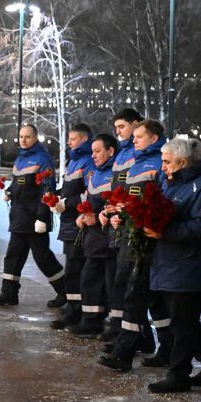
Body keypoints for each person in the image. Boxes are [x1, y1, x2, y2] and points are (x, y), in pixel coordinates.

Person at [146, 137, 201, 392]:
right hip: (171, 262)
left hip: (190, 264)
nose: (163, 167)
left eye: (167, 162)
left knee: (182, 322)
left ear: (183, 162)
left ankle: (179, 374)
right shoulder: (174, 183)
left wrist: (164, 232)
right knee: (183, 320)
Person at [99, 118, 166, 371]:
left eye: (139, 136)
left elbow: (161, 202)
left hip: (145, 240)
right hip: (129, 235)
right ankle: (164, 348)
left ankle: (124, 352)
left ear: (154, 139)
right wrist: (115, 212)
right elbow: (128, 199)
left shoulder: (159, 163)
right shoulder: (137, 163)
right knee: (151, 300)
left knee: (134, 294)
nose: (133, 140)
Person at [0, 123, 65, 306]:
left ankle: (65, 292)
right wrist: (9, 191)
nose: (23, 140)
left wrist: (41, 217)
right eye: (21, 137)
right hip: (19, 216)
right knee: (13, 255)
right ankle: (9, 293)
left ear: (35, 138)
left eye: (27, 137)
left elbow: (48, 189)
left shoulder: (42, 159)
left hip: (34, 217)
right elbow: (19, 184)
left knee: (42, 257)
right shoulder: (20, 159)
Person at [69, 132, 118, 337]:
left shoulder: (116, 173)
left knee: (109, 285)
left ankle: (110, 324)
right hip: (93, 239)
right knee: (89, 280)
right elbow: (91, 201)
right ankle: (91, 320)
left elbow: (115, 206)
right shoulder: (95, 173)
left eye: (98, 151)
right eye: (92, 152)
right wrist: (83, 215)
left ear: (110, 151)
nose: (94, 156)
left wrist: (97, 218)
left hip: (107, 241)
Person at [101, 108, 143, 342]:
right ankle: (121, 330)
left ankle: (125, 334)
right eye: (116, 128)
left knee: (127, 283)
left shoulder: (138, 154)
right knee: (120, 281)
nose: (117, 132)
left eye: (122, 127)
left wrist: (124, 212)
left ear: (136, 124)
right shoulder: (122, 154)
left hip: (133, 226)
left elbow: (138, 193)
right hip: (120, 223)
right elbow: (118, 190)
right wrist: (110, 210)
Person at [49, 124, 94, 329]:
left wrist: (65, 203)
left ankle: (75, 312)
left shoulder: (86, 161)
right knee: (73, 267)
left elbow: (89, 193)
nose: (69, 142)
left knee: (76, 268)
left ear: (84, 139)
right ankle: (73, 309)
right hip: (70, 223)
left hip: (79, 224)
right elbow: (71, 189)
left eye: (73, 139)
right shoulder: (74, 161)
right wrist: (57, 196)